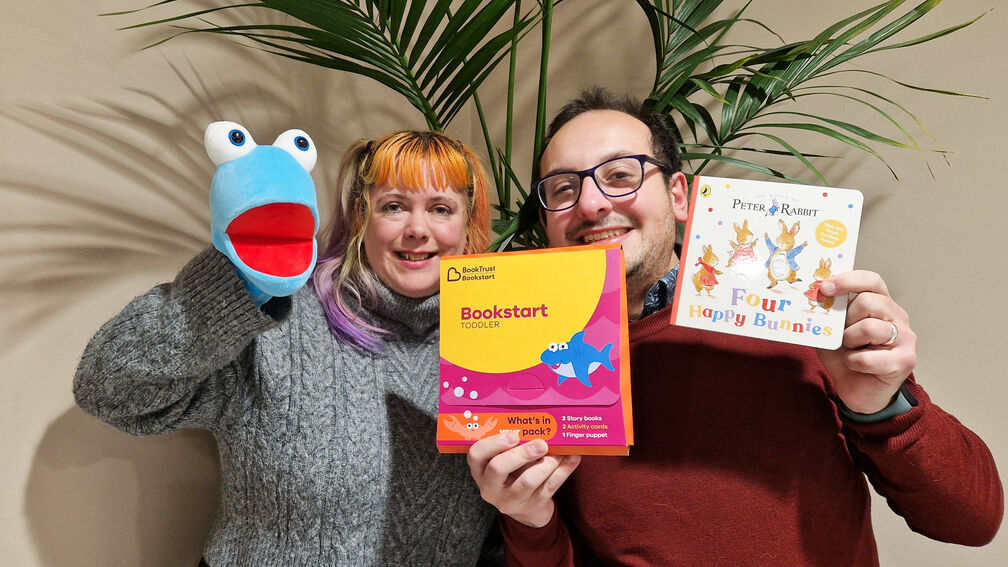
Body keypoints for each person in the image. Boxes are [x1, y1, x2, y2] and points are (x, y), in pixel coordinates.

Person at [466, 88, 1004, 565]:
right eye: (562, 189)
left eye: (620, 175)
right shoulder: (530, 365)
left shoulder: (801, 317)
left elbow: (972, 522)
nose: (590, 202)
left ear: (679, 195)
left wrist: (881, 406)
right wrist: (527, 519)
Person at [74, 129, 502, 566]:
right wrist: (236, 282)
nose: (417, 229)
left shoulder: (500, 347)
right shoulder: (279, 318)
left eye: (441, 209)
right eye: (393, 206)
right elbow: (112, 391)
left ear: (467, 222)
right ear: (360, 215)